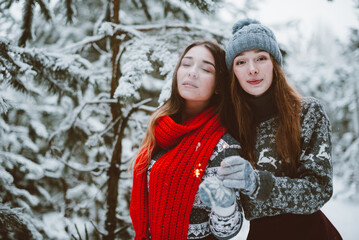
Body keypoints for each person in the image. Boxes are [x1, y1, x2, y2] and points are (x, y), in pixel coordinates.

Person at [218, 18, 342, 240]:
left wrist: (258, 183)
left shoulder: (307, 112)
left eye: (261, 58)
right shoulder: (231, 125)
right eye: (241, 62)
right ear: (233, 72)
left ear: (274, 63)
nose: (252, 69)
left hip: (312, 233)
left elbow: (319, 189)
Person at [129, 40, 244, 240]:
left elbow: (229, 231)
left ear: (219, 85)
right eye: (186, 64)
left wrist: (224, 206)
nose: (192, 72)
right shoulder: (161, 129)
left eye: (206, 69)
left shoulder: (223, 145)